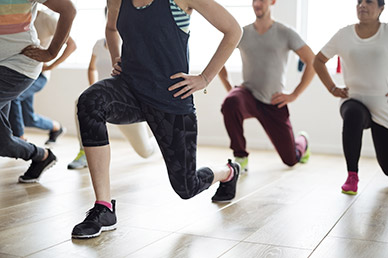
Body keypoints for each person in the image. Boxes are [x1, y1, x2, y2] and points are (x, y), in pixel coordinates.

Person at [71, 0, 242, 239]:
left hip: (170, 98)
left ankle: (228, 172)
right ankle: (104, 207)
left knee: (186, 186)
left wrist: (204, 78)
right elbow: (111, 28)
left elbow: (233, 30)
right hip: (129, 89)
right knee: (90, 102)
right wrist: (115, 57)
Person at [219, 0, 315, 173]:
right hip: (248, 94)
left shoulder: (285, 32)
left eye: (262, 0)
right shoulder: (242, 33)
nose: (257, 3)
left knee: (291, 160)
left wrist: (294, 94)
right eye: (254, 0)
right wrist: (229, 88)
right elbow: (219, 58)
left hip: (274, 101)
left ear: (272, 1)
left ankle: (302, 141)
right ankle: (240, 156)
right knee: (230, 101)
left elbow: (312, 61)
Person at [314, 0, 388, 195]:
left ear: (381, 8)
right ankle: (352, 175)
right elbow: (318, 60)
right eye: (359, 1)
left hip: (383, 105)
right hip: (353, 99)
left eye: (369, 2)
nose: (362, 5)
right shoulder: (344, 34)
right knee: (353, 115)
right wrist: (332, 88)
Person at [68, 9, 155, 170]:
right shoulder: (99, 44)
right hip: (103, 99)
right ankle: (84, 153)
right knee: (79, 102)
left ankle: (157, 139)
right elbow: (91, 68)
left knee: (146, 151)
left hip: (124, 101)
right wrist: (92, 91)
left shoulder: (132, 43)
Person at [0, 0, 75, 183]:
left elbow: (68, 10)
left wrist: (51, 53)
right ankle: (42, 156)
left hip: (18, 64)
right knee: (2, 144)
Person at [9, 9, 76, 145]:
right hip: (21, 72)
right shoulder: (16, 17)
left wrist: (50, 66)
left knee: (13, 96)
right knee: (28, 118)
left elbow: (72, 45)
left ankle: (19, 140)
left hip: (38, 75)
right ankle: (56, 127)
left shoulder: (47, 19)